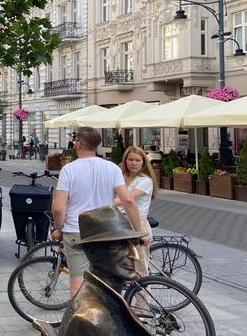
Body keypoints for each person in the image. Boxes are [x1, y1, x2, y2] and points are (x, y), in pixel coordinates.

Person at [51, 126, 144, 297]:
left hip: (77, 231)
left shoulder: (69, 169)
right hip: (105, 232)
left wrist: (59, 228)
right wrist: (139, 232)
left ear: (78, 144)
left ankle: (79, 321)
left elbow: (58, 208)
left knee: (78, 283)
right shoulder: (112, 168)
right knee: (106, 281)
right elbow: (128, 200)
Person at [55, 206, 150, 336]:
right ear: (91, 252)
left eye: (133, 243)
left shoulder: (105, 298)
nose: (135, 255)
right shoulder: (92, 319)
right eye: (119, 246)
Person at [114, 146, 157, 278]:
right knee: (119, 268)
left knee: (140, 270)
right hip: (120, 223)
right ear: (125, 161)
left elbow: (126, 199)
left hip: (137, 223)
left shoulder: (145, 181)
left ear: (143, 162)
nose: (133, 163)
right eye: (130, 159)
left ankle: (143, 299)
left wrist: (101, 202)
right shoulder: (120, 178)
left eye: (137, 160)